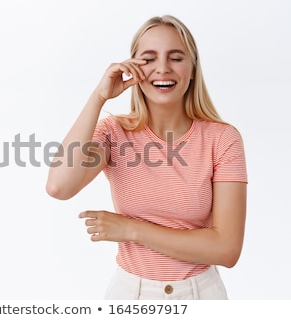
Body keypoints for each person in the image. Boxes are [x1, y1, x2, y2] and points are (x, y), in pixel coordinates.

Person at [45, 15, 247, 300]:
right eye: (149, 59)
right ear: (133, 69)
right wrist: (98, 97)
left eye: (176, 58)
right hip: (130, 295)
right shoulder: (113, 133)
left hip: (201, 295)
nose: (162, 68)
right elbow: (59, 186)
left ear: (192, 69)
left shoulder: (222, 139)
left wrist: (131, 229)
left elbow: (226, 249)